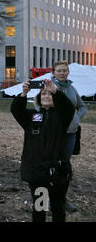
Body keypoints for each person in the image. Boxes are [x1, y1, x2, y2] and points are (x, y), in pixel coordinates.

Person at [11, 79, 75, 222]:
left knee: (58, 209)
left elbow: (68, 108)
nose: (46, 96)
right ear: (39, 97)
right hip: (38, 173)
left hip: (57, 173)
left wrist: (56, 91)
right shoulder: (32, 116)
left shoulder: (61, 116)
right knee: (40, 208)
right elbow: (16, 110)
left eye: (50, 94)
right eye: (43, 93)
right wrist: (23, 94)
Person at [51, 61, 87, 212]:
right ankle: (44, 198)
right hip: (53, 132)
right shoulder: (48, 87)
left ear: (68, 72)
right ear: (53, 73)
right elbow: (39, 105)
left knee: (65, 165)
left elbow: (83, 106)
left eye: (64, 70)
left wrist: (76, 118)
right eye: (59, 71)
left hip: (70, 133)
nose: (62, 73)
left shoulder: (72, 89)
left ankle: (62, 198)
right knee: (50, 164)